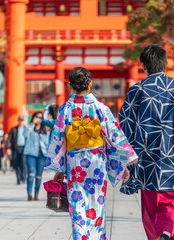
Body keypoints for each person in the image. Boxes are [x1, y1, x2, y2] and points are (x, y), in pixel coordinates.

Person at [119, 44, 174, 240]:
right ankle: (166, 233)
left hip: (146, 157)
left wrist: (126, 160)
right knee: (171, 201)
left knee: (150, 207)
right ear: (164, 64)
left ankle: (160, 235)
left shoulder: (137, 90)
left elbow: (125, 125)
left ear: (144, 66)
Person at [45, 67, 137, 240]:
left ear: (70, 85)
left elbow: (57, 139)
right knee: (97, 202)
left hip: (75, 162)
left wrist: (60, 168)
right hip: (97, 161)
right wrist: (122, 163)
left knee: (77, 205)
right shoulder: (101, 107)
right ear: (91, 84)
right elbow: (115, 134)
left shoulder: (65, 109)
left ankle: (80, 236)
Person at [23, 111, 49, 201]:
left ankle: (36, 194)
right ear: (34, 118)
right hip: (31, 154)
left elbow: (47, 143)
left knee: (39, 175)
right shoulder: (29, 128)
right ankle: (29, 193)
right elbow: (24, 134)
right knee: (31, 173)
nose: (39, 119)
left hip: (42, 155)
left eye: (41, 117)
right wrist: (32, 124)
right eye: (37, 117)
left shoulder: (45, 131)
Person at [6, 116, 27, 185]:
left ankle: (23, 178)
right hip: (16, 148)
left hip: (24, 148)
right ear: (18, 121)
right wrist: (8, 148)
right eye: (20, 120)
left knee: (23, 163)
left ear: (23, 121)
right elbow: (9, 139)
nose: (21, 122)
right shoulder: (14, 129)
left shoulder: (26, 129)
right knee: (16, 164)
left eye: (22, 120)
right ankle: (18, 179)